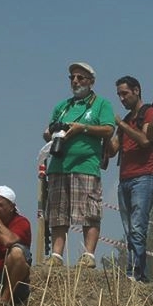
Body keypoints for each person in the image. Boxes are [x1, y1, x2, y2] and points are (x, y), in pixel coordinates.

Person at [42, 62, 116, 268]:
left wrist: (82, 128)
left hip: (86, 165)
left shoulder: (101, 104)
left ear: (91, 82)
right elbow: (46, 133)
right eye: (72, 78)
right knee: (58, 213)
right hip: (59, 166)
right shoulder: (62, 106)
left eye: (80, 78)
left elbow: (109, 130)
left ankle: (88, 255)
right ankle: (56, 256)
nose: (75, 81)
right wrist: (54, 131)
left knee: (89, 213)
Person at [107, 76, 153, 282]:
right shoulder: (125, 121)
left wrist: (121, 123)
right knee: (130, 230)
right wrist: (104, 132)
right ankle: (135, 271)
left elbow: (145, 140)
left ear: (136, 90)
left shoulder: (149, 112)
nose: (121, 98)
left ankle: (136, 273)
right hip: (125, 179)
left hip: (144, 177)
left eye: (125, 93)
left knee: (138, 227)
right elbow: (112, 151)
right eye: (119, 95)